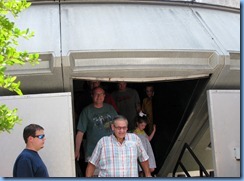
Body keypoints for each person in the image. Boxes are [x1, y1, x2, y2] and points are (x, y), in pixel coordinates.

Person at [86, 115, 151, 177]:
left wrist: (148, 176)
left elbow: (144, 159)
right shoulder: (103, 142)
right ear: (113, 127)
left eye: (124, 128)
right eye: (119, 128)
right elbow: (92, 164)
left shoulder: (135, 139)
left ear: (127, 128)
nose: (121, 131)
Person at [75, 86, 118, 176]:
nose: (99, 97)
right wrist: (77, 150)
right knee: (95, 176)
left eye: (101, 94)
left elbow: (119, 126)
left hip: (111, 150)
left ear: (104, 96)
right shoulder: (87, 111)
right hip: (93, 151)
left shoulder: (110, 108)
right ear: (92, 95)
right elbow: (80, 132)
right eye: (96, 94)